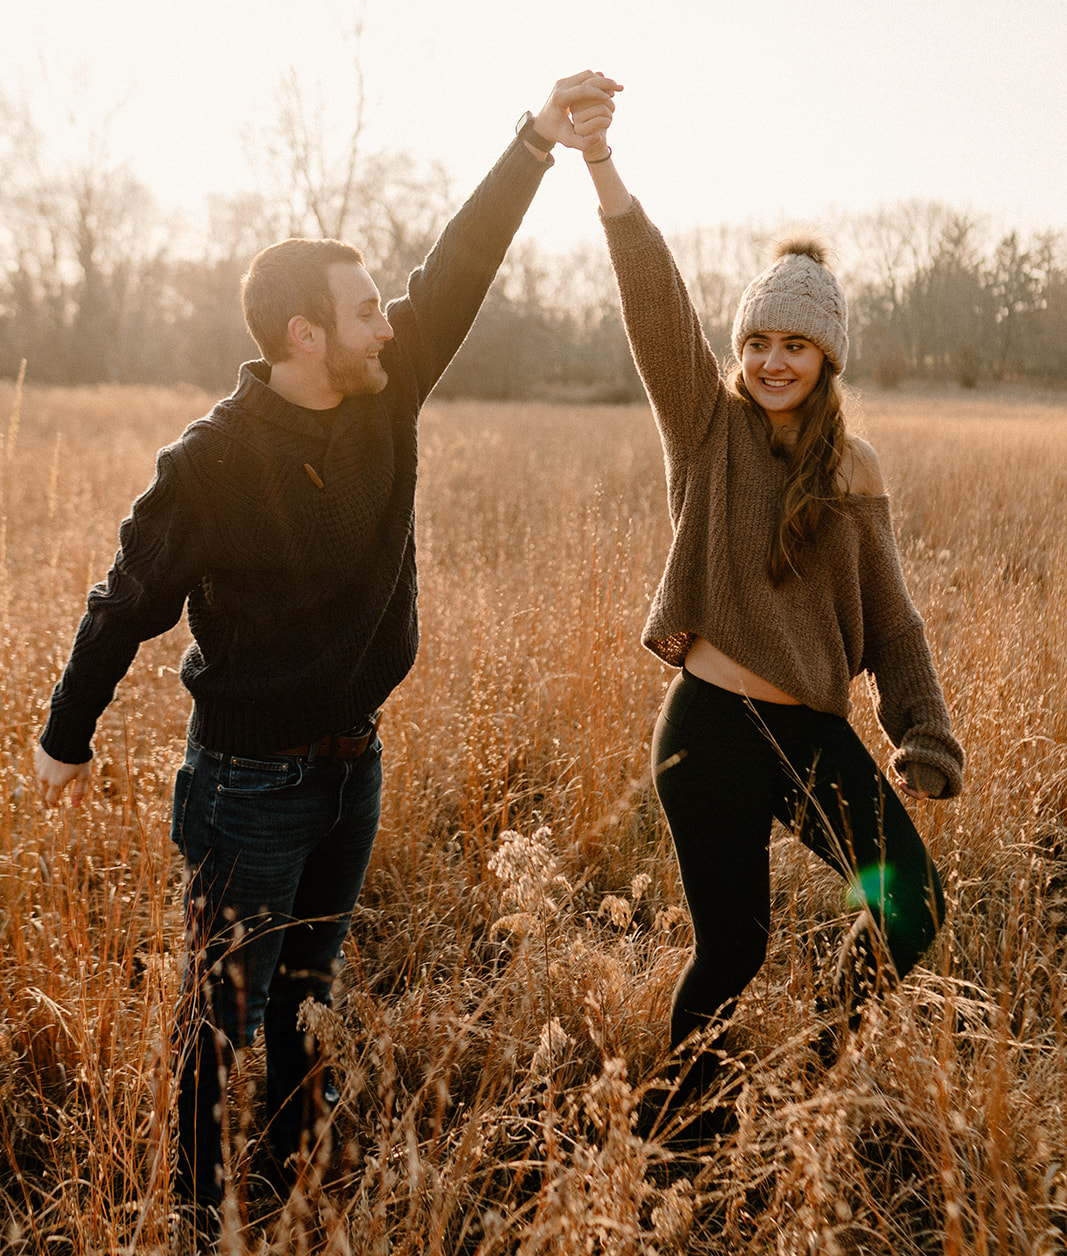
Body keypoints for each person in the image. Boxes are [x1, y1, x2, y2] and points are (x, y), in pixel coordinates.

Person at [32, 69, 620, 1239]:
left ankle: (295, 1193)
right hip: (246, 787)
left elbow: (455, 270)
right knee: (218, 1026)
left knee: (310, 1003)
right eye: (363, 311)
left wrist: (533, 141)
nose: (387, 322)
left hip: (354, 771)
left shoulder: (380, 400)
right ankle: (201, 1222)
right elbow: (124, 599)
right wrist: (63, 737)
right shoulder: (207, 463)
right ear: (304, 334)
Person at [577, 93, 964, 1139]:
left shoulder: (852, 466)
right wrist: (601, 162)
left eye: (795, 343)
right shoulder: (705, 428)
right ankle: (673, 1131)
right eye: (758, 340)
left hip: (806, 731)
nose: (773, 361)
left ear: (826, 354)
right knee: (731, 949)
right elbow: (654, 299)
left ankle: (801, 1078)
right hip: (704, 731)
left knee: (908, 903)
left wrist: (921, 731)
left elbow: (890, 621)